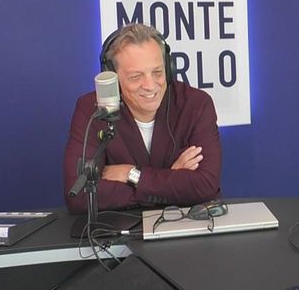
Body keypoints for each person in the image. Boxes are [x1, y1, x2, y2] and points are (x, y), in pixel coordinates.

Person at [63, 23, 221, 213]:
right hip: (120, 228)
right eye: (135, 77)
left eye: (157, 72)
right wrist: (170, 181)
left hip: (186, 225)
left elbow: (205, 185)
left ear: (168, 68)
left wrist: (131, 174)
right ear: (113, 78)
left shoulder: (196, 104)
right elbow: (80, 195)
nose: (150, 85)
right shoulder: (92, 109)